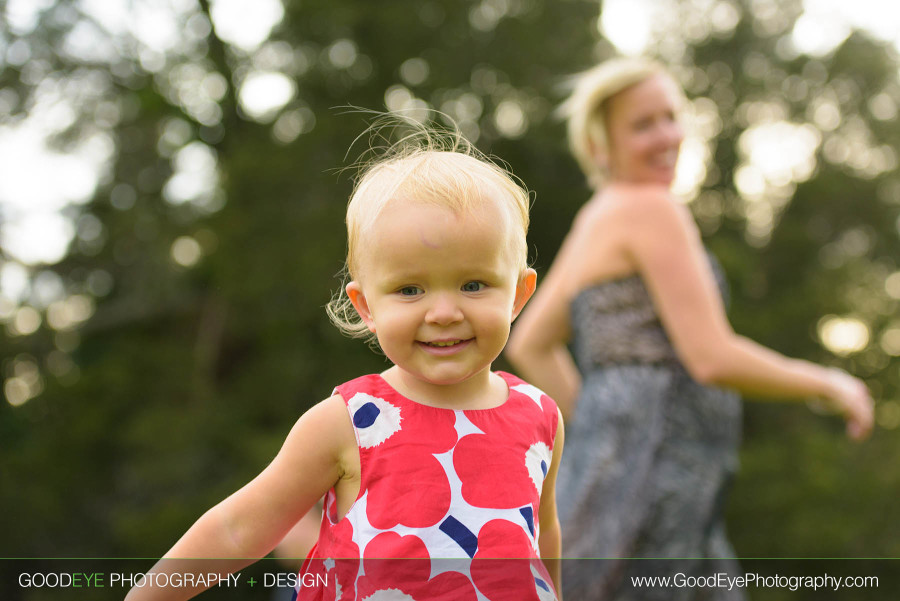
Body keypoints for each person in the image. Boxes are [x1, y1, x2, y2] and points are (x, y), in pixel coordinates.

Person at [125, 118, 565, 601]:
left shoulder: (539, 416)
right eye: (410, 289)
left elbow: (542, 545)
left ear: (520, 294)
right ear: (367, 306)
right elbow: (238, 529)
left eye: (474, 284)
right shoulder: (350, 421)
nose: (443, 313)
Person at [504, 57, 874, 601]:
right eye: (642, 125)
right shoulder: (651, 209)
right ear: (600, 146)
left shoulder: (601, 213)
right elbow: (710, 356)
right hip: (657, 484)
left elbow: (530, 341)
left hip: (645, 476)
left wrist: (602, 430)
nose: (667, 136)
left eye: (670, 117)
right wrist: (828, 383)